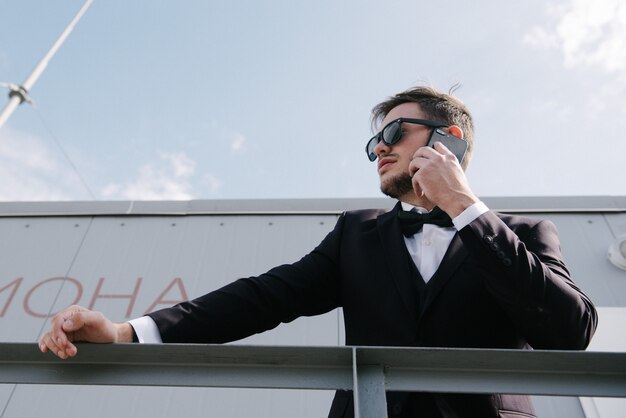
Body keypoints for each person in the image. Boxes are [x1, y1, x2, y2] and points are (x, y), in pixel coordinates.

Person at [39, 85, 597, 418]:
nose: (379, 147)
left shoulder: (522, 233)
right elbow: (262, 297)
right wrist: (126, 332)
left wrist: (468, 211)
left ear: (448, 138)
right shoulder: (358, 234)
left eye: (395, 130)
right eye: (373, 140)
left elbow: (570, 332)